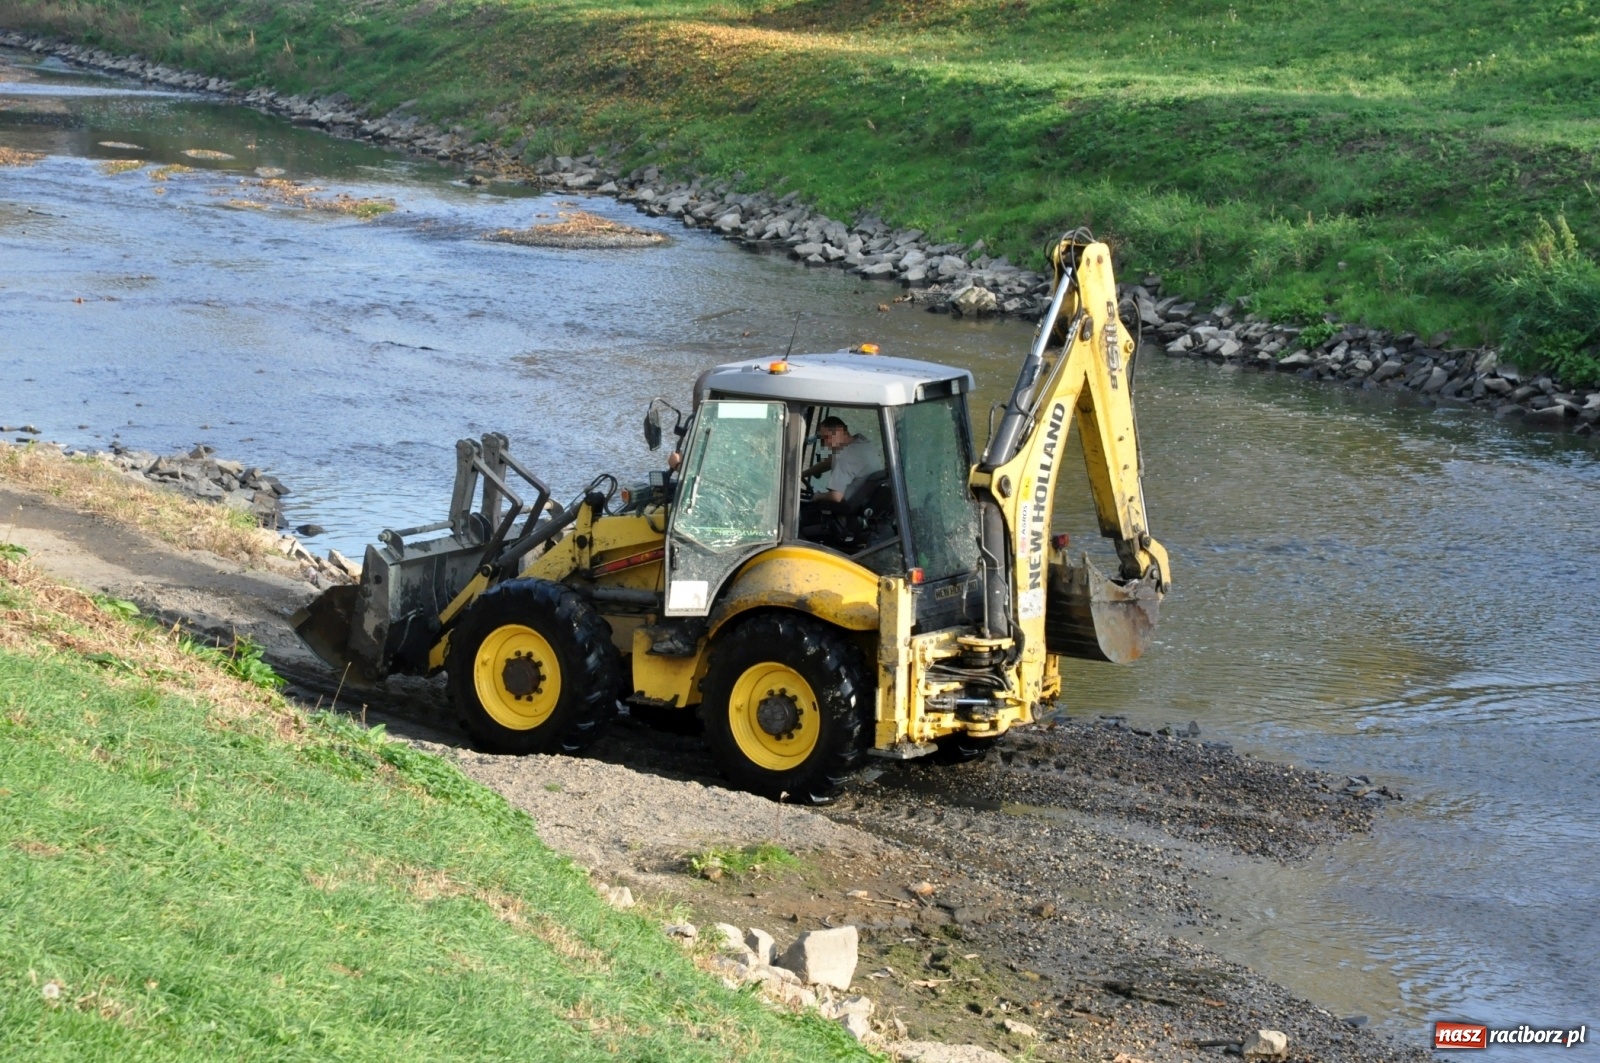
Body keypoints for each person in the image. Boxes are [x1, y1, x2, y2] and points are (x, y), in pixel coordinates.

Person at [805, 416, 876, 503]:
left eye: (827, 438)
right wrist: (804, 474)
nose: (825, 444)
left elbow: (835, 496)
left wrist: (819, 495)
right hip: (865, 503)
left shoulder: (843, 457)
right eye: (823, 440)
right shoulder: (863, 443)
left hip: (846, 511)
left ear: (840, 431)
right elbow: (831, 460)